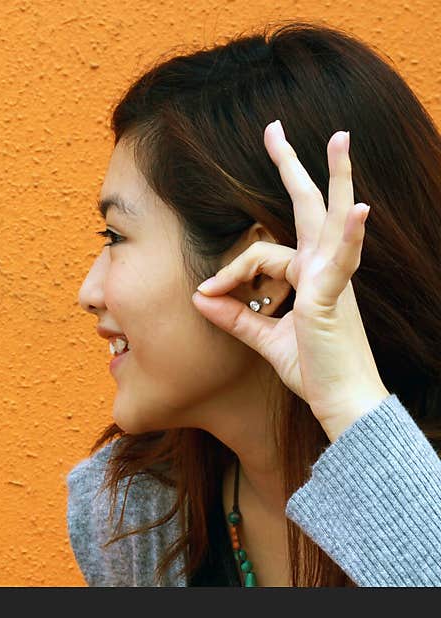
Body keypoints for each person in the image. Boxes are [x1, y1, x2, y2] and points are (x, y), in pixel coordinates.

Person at [68, 20, 441, 587]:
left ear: (255, 276)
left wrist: (349, 403)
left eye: (116, 238)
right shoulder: (135, 513)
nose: (88, 294)